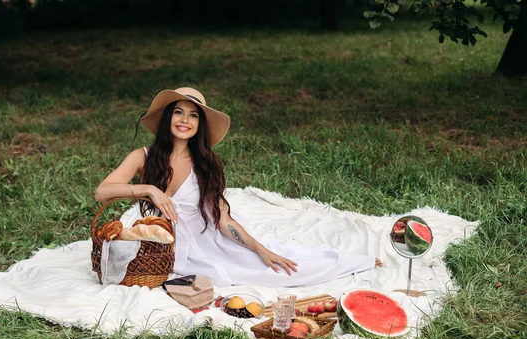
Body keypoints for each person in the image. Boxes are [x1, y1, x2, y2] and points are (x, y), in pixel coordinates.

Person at [95, 87, 382, 287]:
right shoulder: (143, 156)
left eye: (193, 115)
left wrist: (260, 248)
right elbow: (102, 191)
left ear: (200, 125)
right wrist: (148, 189)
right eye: (179, 113)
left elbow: (223, 220)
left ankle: (354, 261)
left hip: (207, 241)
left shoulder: (206, 163)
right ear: (167, 117)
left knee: (275, 269)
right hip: (164, 242)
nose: (185, 120)